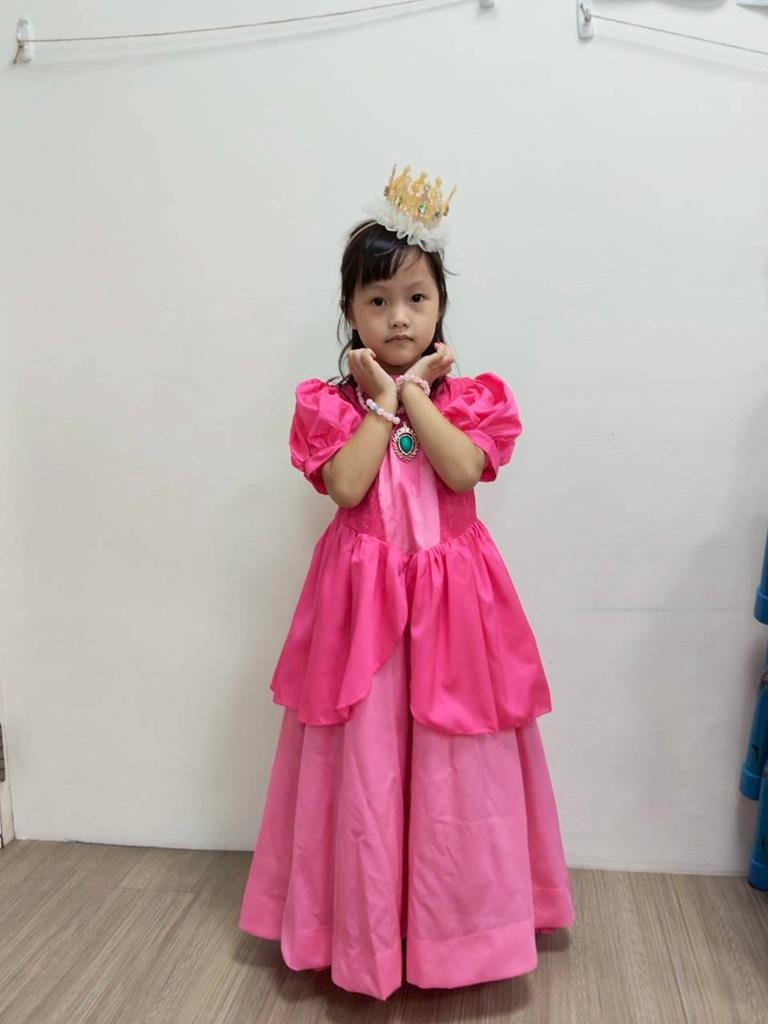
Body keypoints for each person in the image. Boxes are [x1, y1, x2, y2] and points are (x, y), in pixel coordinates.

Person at [238, 164, 575, 1000]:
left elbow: (461, 471)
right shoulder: (330, 404)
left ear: (440, 308)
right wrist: (383, 401)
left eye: (416, 299)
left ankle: (456, 935)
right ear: (349, 310)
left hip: (454, 615)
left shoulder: (470, 398)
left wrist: (417, 393)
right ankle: (359, 930)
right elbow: (348, 486)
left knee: (455, 770)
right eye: (378, 300)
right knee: (366, 769)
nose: (398, 317)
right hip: (361, 620)